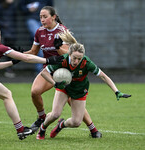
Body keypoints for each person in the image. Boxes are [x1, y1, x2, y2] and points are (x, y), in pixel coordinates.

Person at [36, 30, 131, 140]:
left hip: (79, 90)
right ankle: (42, 128)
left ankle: (61, 125)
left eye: (79, 58)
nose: (76, 61)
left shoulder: (87, 63)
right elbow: (44, 72)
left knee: (76, 122)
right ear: (69, 54)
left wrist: (116, 91)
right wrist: (55, 83)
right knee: (55, 114)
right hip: (64, 89)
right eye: (74, 58)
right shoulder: (62, 60)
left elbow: (104, 76)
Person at [25, 6, 102, 138]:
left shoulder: (62, 31)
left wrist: (58, 48)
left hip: (65, 71)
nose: (42, 20)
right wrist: (16, 55)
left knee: (73, 100)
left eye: (45, 17)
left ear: (53, 17)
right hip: (49, 70)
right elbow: (33, 52)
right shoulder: (39, 32)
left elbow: (70, 54)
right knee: (34, 92)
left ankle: (93, 129)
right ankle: (41, 117)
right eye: (40, 17)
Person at [19, 0, 53, 74]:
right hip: (32, 19)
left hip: (45, 21)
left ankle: (44, 70)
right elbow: (21, 6)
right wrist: (28, 9)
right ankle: (40, 70)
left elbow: (51, 6)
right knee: (41, 41)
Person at [0, 0, 17, 78]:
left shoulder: (13, 7)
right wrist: (4, 24)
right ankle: (7, 69)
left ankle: (9, 69)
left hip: (12, 32)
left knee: (10, 50)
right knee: (4, 51)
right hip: (4, 32)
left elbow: (14, 18)